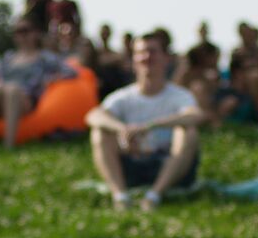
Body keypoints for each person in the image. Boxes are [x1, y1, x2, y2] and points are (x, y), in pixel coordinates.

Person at [86, 35, 204, 211]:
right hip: (133, 166)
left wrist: (150, 126)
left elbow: (196, 116)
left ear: (166, 58)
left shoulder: (180, 96)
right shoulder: (123, 97)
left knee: (188, 132)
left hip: (169, 167)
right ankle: (120, 197)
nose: (146, 57)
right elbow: (93, 116)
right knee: (100, 132)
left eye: (152, 51)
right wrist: (123, 129)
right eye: (141, 52)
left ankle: (154, 196)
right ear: (134, 60)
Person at [0, 20, 76, 147]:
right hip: (1, 96)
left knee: (12, 89)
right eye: (18, 32)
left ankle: (9, 143)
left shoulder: (44, 57)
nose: (22, 35)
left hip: (26, 99)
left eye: (26, 31)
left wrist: (53, 78)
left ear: (35, 33)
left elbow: (71, 72)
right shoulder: (9, 57)